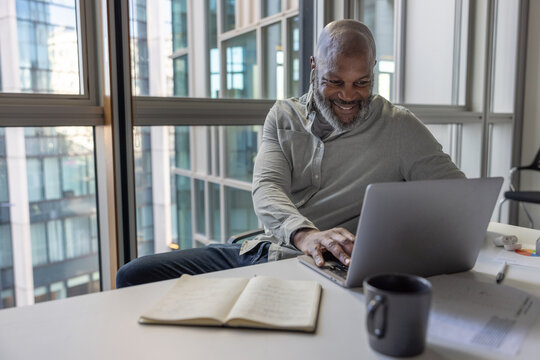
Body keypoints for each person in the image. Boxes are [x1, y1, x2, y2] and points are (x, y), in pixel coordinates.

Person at [116, 19, 464, 288]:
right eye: (335, 80)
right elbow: (267, 188)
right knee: (135, 275)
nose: (348, 95)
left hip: (330, 269)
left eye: (362, 82)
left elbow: (457, 199)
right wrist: (306, 234)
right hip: (265, 250)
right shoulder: (284, 115)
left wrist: (388, 241)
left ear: (373, 72)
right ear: (314, 66)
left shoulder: (398, 126)